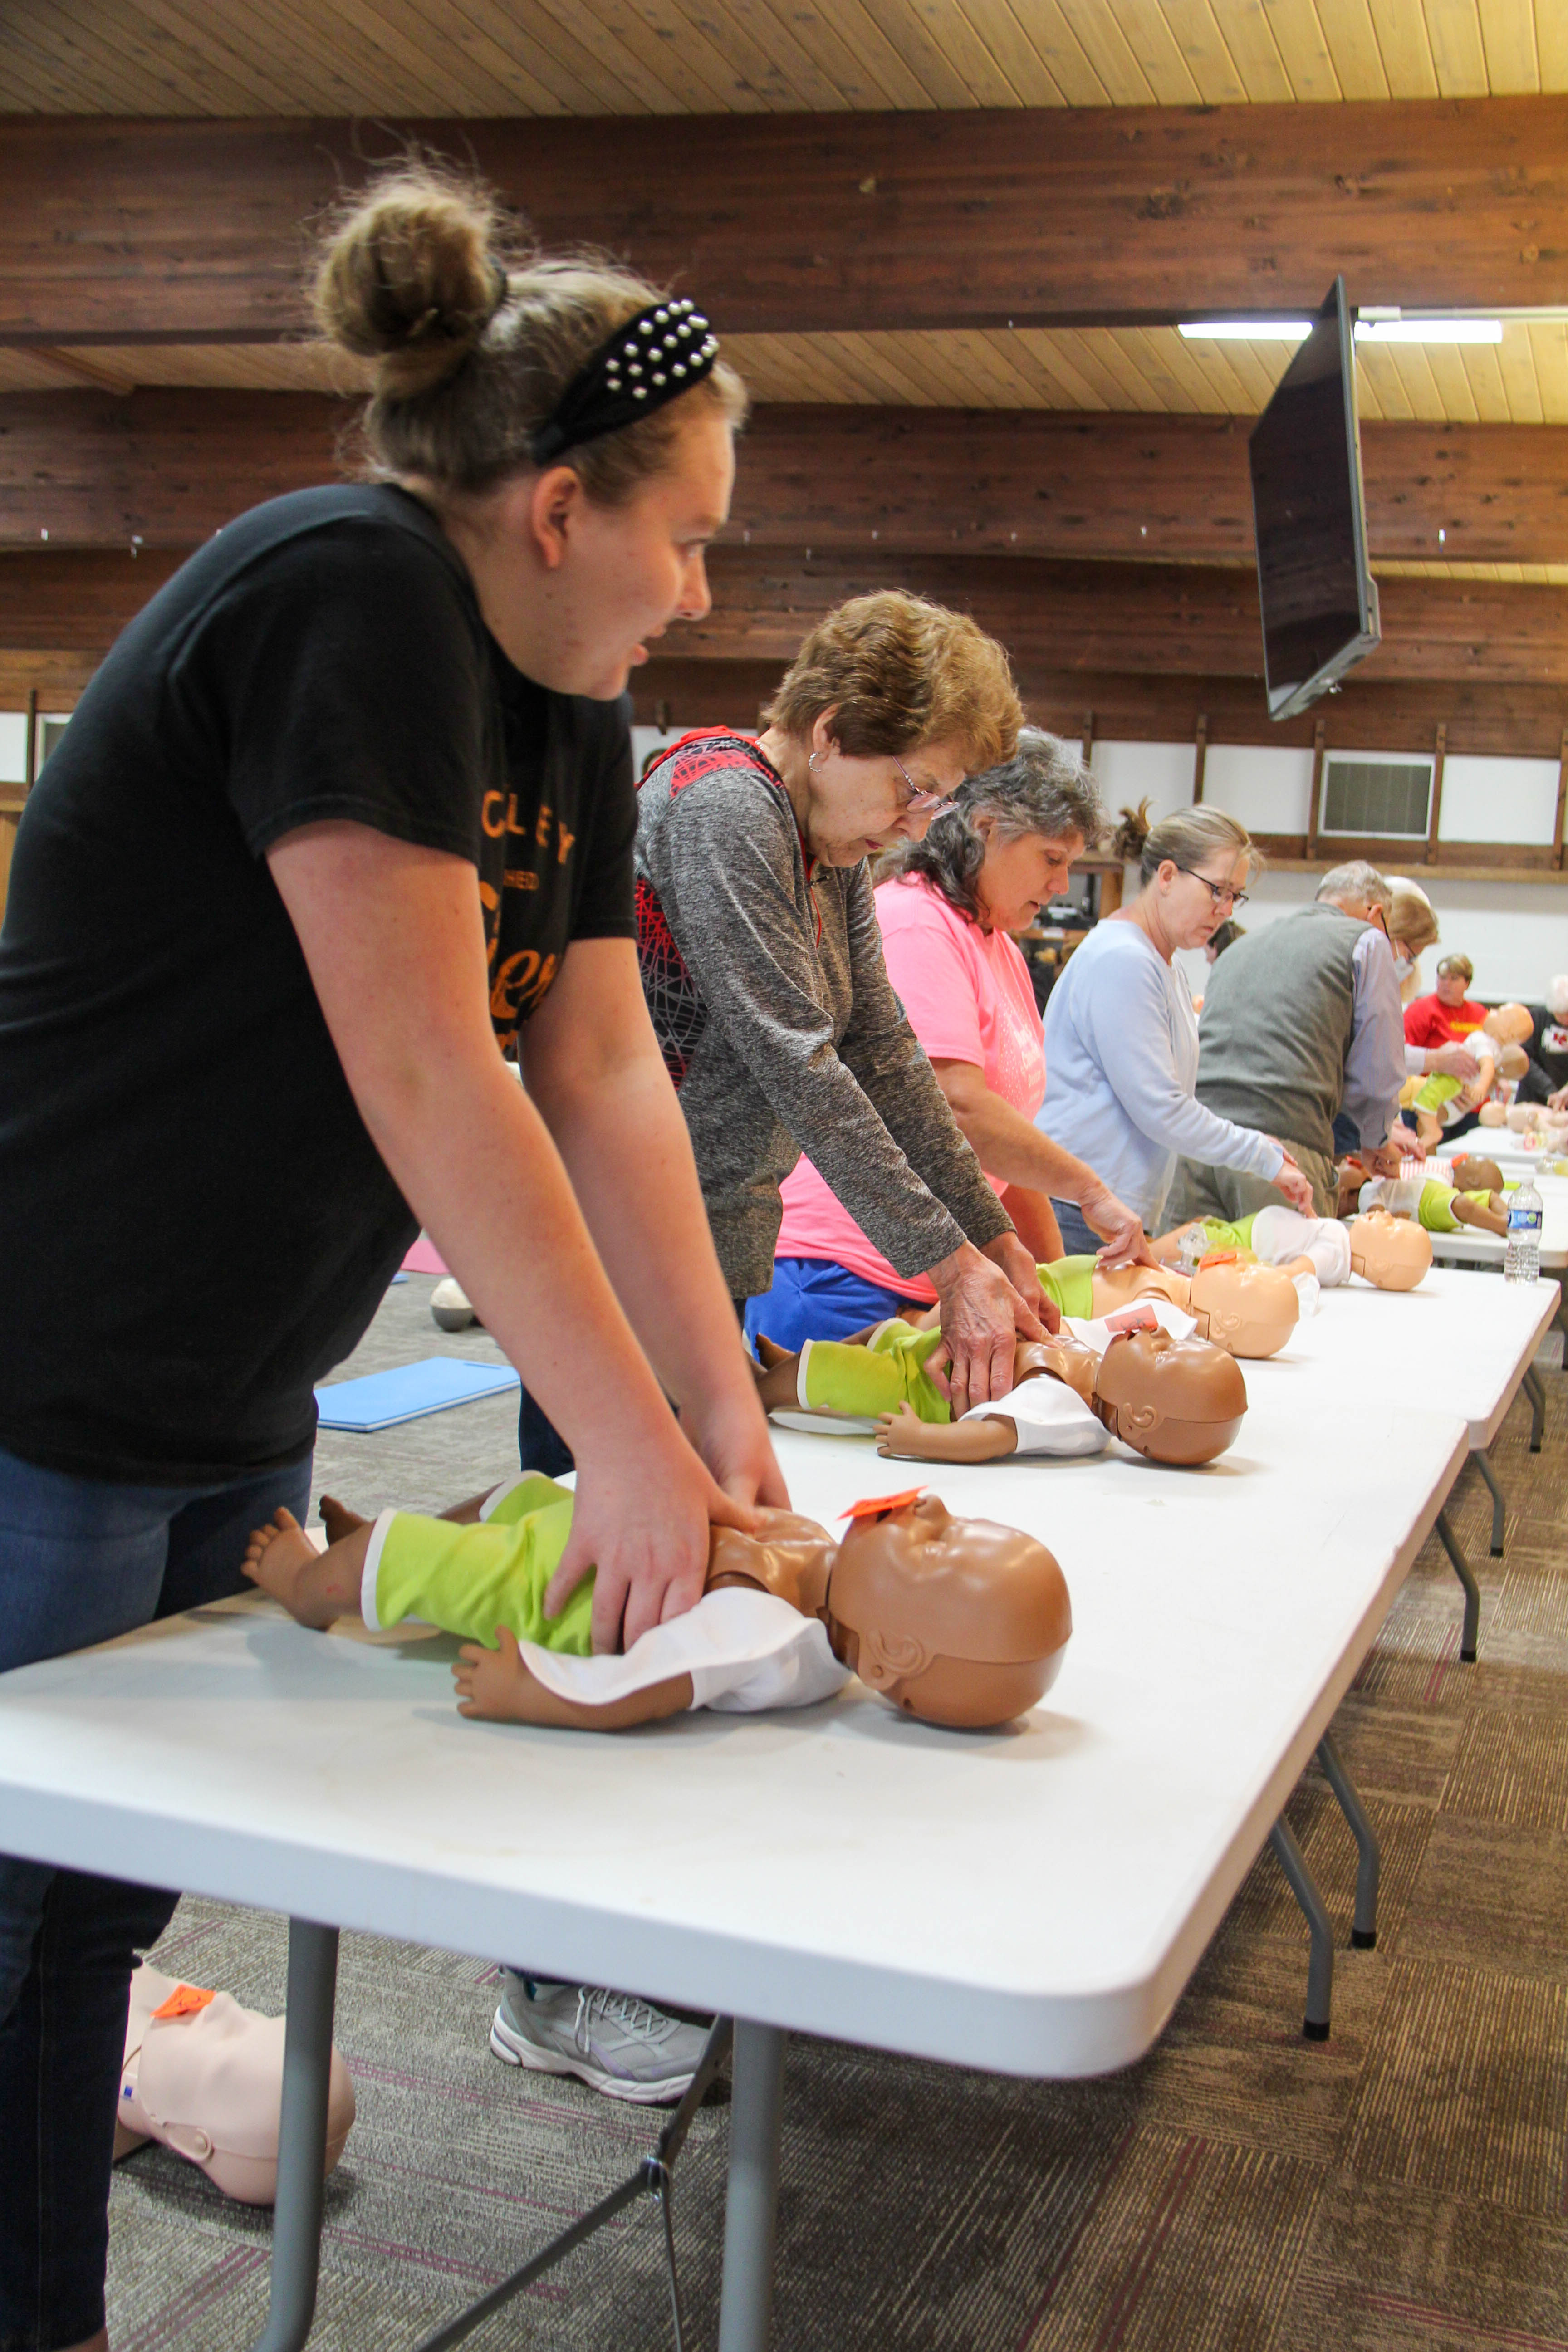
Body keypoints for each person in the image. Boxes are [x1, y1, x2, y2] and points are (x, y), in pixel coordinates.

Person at [0, 164, 790, 2339]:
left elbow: (605, 1073)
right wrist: (616, 1451)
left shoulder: (571, 706)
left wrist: (715, 1416)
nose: (699, 587)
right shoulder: (348, 586)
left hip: (223, 1388)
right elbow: (434, 1074)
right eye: (688, 530)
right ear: (554, 506)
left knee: (84, 1922)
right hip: (39, 1367)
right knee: (4, 1918)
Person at [637, 592, 1051, 1416]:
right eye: (915, 787)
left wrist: (988, 1232)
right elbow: (798, 1060)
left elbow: (884, 1052)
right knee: (608, 1516)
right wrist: (948, 1261)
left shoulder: (830, 849)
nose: (913, 824)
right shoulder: (725, 805)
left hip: (711, 1229)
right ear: (829, 733)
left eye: (935, 803)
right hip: (632, 1234)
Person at [748, 731, 1152, 1349]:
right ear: (987, 826)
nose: (1065, 885)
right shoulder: (916, 923)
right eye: (1052, 858)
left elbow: (1001, 1167)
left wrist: (1047, 1290)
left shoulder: (997, 947)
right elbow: (954, 1108)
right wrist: (1090, 1191)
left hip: (931, 1269)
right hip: (847, 1272)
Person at [1038, 802, 1314, 1250]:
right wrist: (1260, 1156)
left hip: (1108, 1204)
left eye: (1235, 896)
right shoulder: (1124, 959)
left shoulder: (1165, 965)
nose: (1226, 910)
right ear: (1167, 876)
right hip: (1077, 1207)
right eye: (1217, 891)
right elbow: (1161, 1108)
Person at [1166, 858, 1410, 1225]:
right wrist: (1376, 1138)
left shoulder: (1243, 946)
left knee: (1185, 1278)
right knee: (1287, 1281)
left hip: (1197, 1144)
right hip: (1280, 1149)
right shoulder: (1367, 940)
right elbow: (1379, 1063)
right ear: (1375, 914)